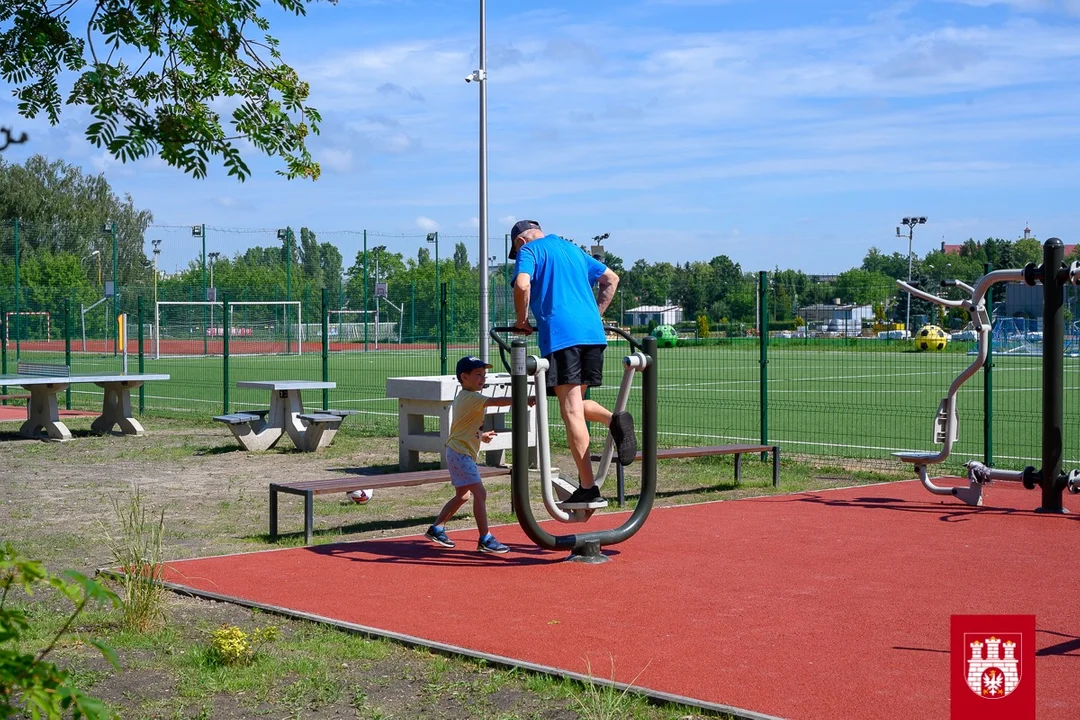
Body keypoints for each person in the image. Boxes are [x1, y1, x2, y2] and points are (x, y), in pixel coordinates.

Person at [509, 219, 636, 510]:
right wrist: (596, 314)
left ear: (520, 242)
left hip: (562, 337)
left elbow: (522, 284)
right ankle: (613, 419)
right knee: (575, 401)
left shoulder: (530, 251)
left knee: (571, 412)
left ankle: (588, 488)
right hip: (592, 334)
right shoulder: (573, 249)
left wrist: (521, 321)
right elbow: (611, 279)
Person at [424, 356, 524, 553]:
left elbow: (464, 425)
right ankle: (485, 538)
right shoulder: (471, 397)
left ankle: (437, 528)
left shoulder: (466, 397)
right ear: (464, 377)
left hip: (457, 451)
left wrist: (481, 435)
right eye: (478, 375)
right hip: (460, 454)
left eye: (484, 375)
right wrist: (522, 399)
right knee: (480, 493)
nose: (482, 379)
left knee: (463, 496)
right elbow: (495, 401)